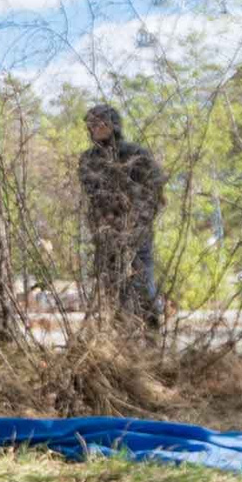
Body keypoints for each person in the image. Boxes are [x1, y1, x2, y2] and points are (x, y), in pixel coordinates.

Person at [79, 103, 165, 331]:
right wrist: (106, 222)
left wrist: (138, 219)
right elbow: (93, 194)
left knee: (142, 280)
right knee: (112, 285)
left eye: (101, 123)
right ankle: (122, 333)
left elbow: (154, 191)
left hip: (137, 231)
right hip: (107, 233)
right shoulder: (88, 159)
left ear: (113, 125)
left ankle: (151, 329)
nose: (96, 128)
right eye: (92, 124)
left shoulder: (136, 154)